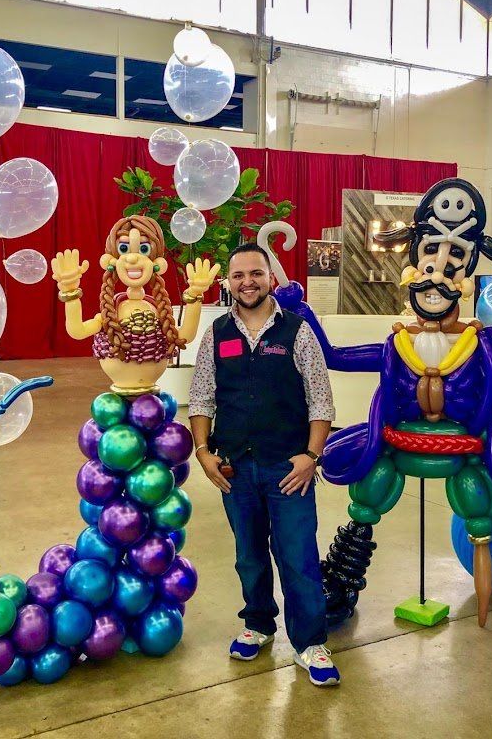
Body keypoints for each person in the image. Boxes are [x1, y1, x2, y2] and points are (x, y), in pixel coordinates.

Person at [189, 243, 339, 687]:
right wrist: (203, 452)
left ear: (271, 278)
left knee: (298, 557)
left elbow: (320, 400)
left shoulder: (297, 331)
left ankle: (310, 643)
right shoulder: (216, 333)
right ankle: (258, 623)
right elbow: (201, 397)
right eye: (238, 276)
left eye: (256, 273)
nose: (247, 282)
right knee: (249, 558)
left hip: (287, 471)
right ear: (228, 282)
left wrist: (311, 457)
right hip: (235, 469)